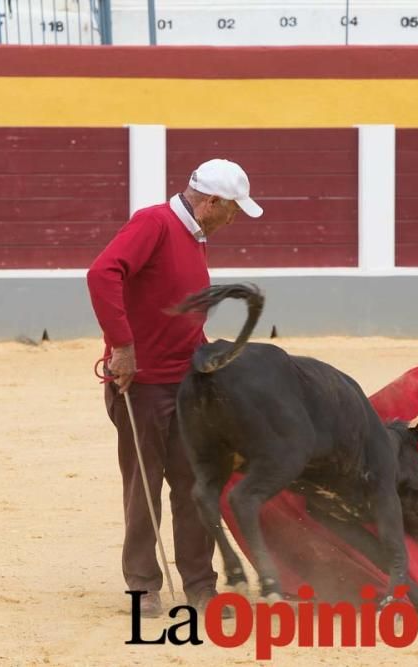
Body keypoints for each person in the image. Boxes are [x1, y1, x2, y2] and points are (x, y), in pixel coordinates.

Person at [86, 159, 263, 617]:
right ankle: (143, 585)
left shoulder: (193, 235)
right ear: (211, 203)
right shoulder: (154, 223)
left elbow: (175, 309)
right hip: (142, 383)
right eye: (233, 211)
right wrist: (122, 347)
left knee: (196, 485)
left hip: (186, 383)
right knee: (143, 486)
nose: (235, 220)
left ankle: (201, 586)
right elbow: (102, 273)